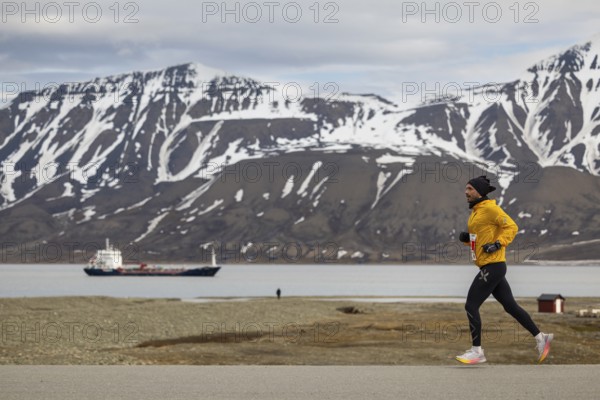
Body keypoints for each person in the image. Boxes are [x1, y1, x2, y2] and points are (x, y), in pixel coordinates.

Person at [455, 176, 553, 364]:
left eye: (470, 188)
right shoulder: (476, 211)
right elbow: (482, 238)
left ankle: (477, 351)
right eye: (465, 188)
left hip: (494, 265)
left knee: (471, 305)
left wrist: (498, 244)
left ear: (480, 191)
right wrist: (468, 239)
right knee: (510, 306)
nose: (466, 192)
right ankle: (541, 338)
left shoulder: (491, 209)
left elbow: (512, 226)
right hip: (490, 265)